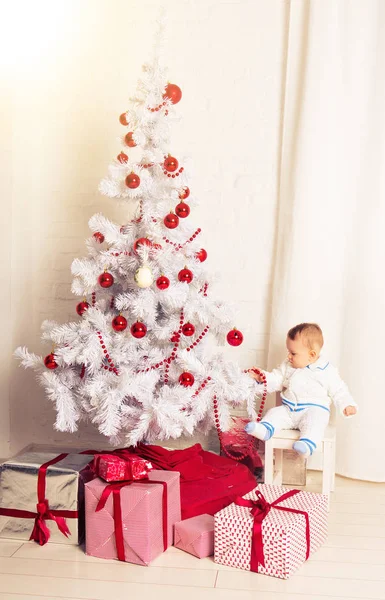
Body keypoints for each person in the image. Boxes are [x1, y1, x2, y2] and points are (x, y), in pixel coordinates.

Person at [244, 323, 357, 457]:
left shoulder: (326, 371)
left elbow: (339, 389)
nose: (289, 356)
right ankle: (265, 428)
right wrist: (262, 377)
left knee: (315, 422)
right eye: (288, 352)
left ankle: (307, 443)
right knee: (274, 412)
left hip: (313, 409)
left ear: (312, 355)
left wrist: (347, 404)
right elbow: (277, 378)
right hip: (289, 409)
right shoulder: (288, 366)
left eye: (293, 353)